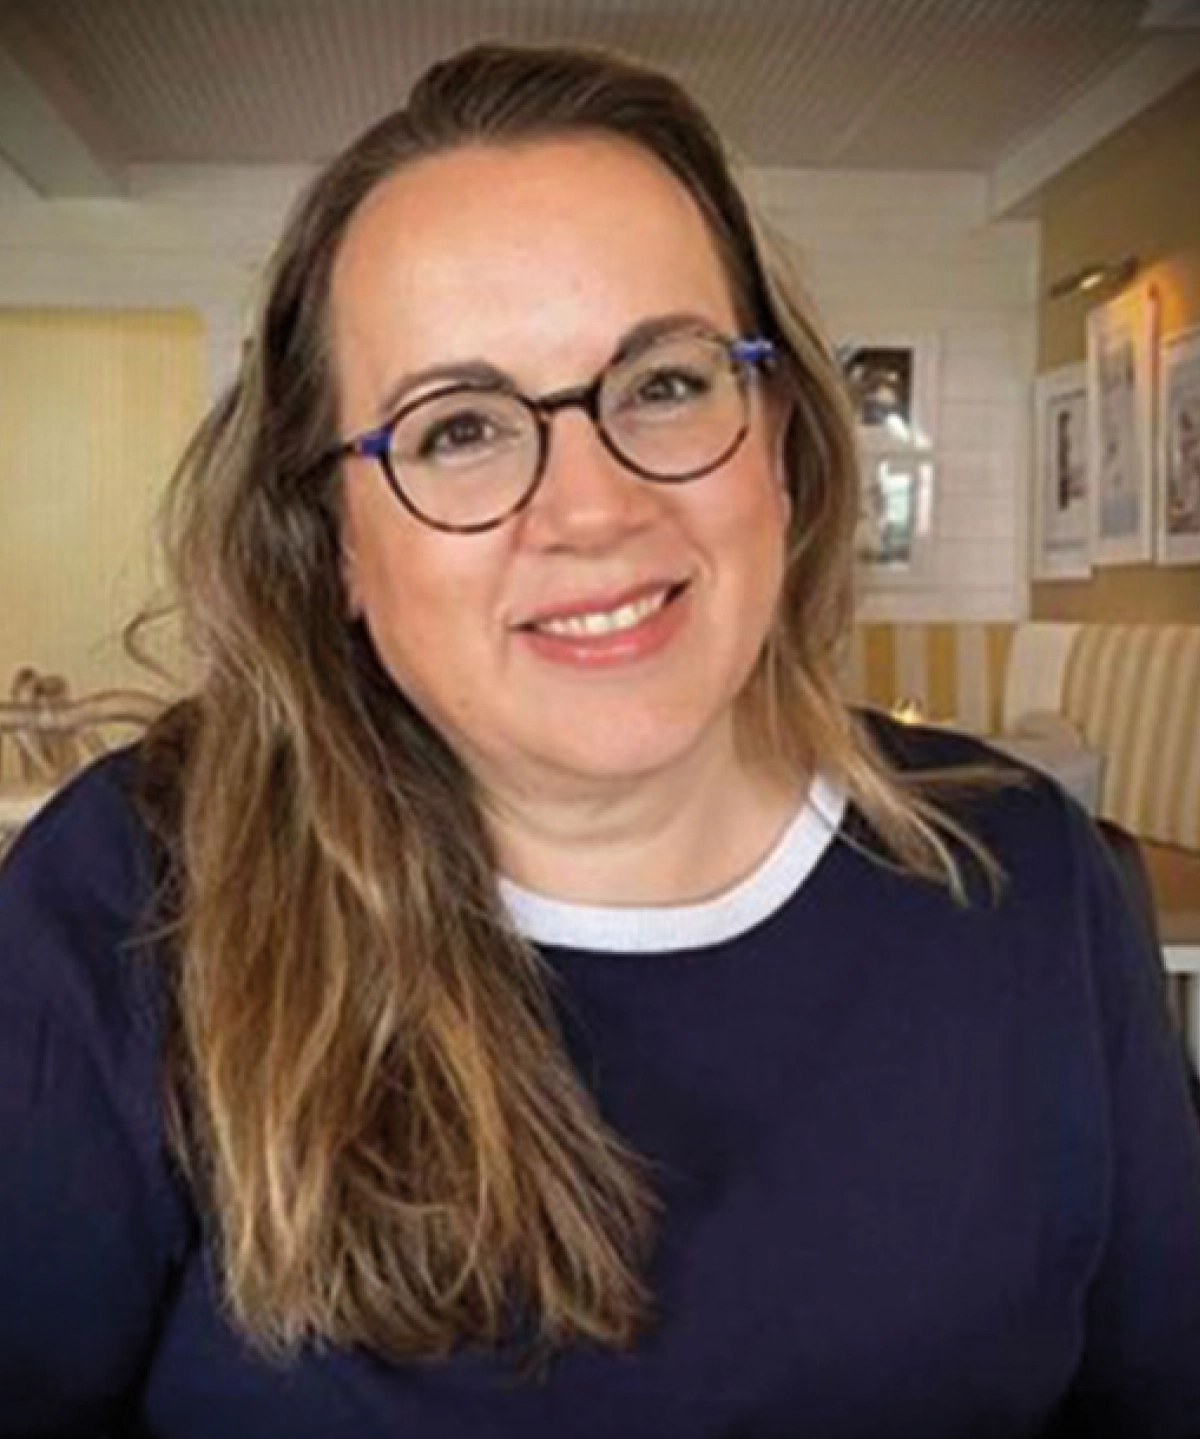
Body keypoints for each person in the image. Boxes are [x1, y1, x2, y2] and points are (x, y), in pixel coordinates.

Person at [1, 42, 1198, 1439]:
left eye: (668, 384)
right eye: (458, 429)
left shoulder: (1036, 881)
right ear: (332, 541)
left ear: (783, 443)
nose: (592, 508)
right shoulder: (136, 898)